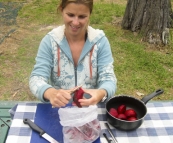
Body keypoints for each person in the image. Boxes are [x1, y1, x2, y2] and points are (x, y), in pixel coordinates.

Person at [29, 0, 117, 108]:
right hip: (58, 110)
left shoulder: (100, 41)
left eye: (82, 17)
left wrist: (101, 92)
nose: (75, 22)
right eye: (70, 15)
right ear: (61, 10)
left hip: (90, 109)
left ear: (90, 14)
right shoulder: (50, 41)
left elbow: (109, 78)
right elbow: (36, 78)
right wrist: (50, 93)